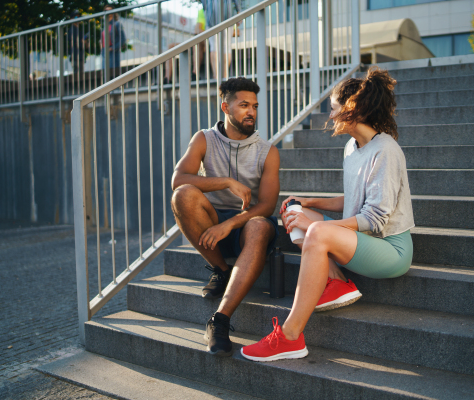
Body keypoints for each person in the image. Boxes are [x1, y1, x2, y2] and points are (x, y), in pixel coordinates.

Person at [241, 67, 415, 362]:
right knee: (295, 213)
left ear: (352, 110)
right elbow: (355, 200)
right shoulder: (352, 147)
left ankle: (290, 336)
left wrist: (314, 226)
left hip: (390, 248)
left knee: (315, 231)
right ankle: (336, 282)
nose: (330, 116)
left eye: (333, 109)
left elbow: (374, 219)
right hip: (361, 237)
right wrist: (310, 203)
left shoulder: (385, 150)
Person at [171, 77, 281, 357]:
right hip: (214, 217)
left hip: (249, 224)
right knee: (183, 195)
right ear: (225, 107)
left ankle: (219, 321)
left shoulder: (268, 152)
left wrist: (231, 223)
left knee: (258, 225)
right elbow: (178, 179)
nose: (251, 112)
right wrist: (225, 182)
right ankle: (222, 269)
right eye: (244, 105)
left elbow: (268, 206)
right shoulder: (204, 138)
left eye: (255, 106)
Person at [201, 0, 241, 79]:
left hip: (212, 17)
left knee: (214, 46)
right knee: (226, 46)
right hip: (226, 16)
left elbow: (204, 4)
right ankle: (224, 74)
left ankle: (216, 75)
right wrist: (238, 11)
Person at [101, 4, 126, 79]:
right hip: (104, 51)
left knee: (113, 73)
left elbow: (123, 39)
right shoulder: (104, 25)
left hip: (113, 52)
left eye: (110, 10)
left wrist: (113, 48)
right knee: (104, 73)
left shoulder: (117, 24)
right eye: (106, 10)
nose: (108, 12)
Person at [68, 11, 87, 92]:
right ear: (72, 19)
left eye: (79, 17)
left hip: (80, 54)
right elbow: (74, 42)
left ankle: (80, 89)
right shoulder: (72, 29)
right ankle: (76, 89)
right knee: (77, 72)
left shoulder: (79, 29)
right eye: (76, 17)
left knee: (80, 72)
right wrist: (82, 42)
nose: (78, 19)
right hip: (75, 55)